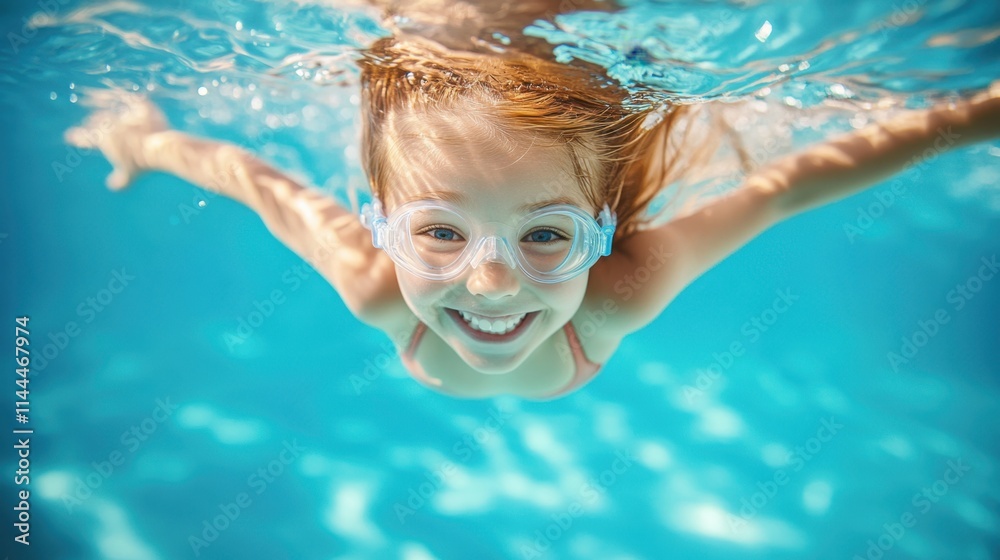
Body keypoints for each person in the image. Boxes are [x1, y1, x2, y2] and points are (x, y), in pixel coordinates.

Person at [65, 3, 1000, 400]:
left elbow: (785, 186)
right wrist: (143, 141)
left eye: (546, 235)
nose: (491, 281)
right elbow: (256, 184)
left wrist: (965, 119)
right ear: (382, 221)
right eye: (438, 230)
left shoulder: (615, 288)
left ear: (601, 231)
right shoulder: (381, 282)